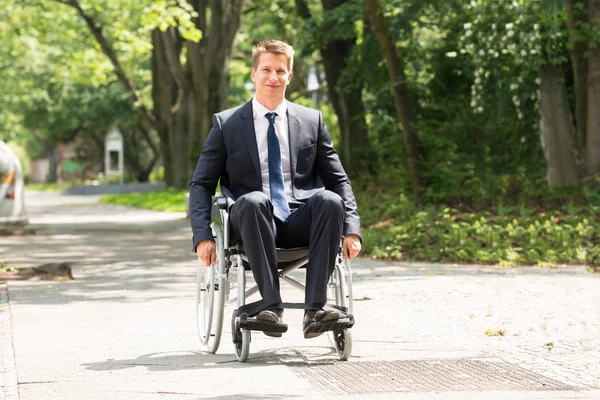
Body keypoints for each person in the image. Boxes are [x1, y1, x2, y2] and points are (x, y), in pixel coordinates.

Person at [189, 40, 361, 338]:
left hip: (298, 221)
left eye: (280, 70)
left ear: (289, 75)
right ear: (254, 73)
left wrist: (352, 229)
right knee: (254, 201)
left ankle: (316, 310)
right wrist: (203, 236)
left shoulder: (311, 121)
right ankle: (270, 306)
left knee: (330, 200)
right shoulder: (226, 124)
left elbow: (338, 180)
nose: (274, 77)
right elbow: (201, 184)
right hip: (251, 222)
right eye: (266, 69)